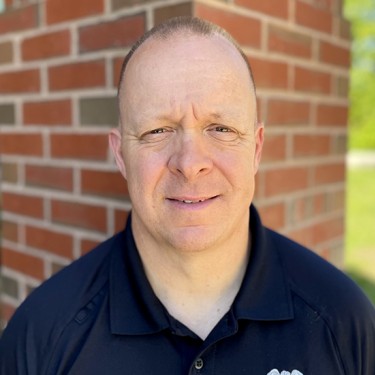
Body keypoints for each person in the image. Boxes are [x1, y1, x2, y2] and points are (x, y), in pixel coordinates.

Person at [0, 16, 374, 375]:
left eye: (220, 128)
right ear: (121, 155)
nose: (190, 162)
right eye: (158, 131)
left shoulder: (343, 320)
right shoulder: (42, 333)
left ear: (256, 148)